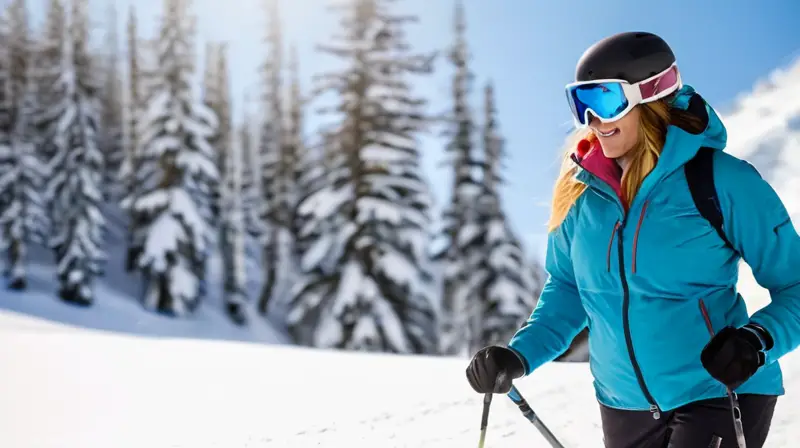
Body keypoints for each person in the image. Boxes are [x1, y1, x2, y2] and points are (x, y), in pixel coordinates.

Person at [465, 31, 800, 448]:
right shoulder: (581, 194)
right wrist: (519, 355)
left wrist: (756, 340)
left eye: (604, 101)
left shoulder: (720, 181)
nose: (593, 120)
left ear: (651, 96)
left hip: (718, 391)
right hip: (624, 406)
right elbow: (569, 291)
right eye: (580, 104)